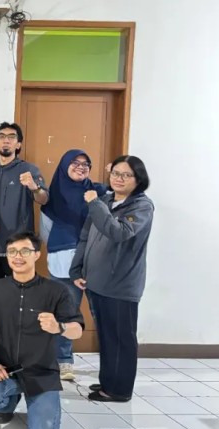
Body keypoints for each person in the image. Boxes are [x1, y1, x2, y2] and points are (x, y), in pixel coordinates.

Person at [0, 231, 84, 429]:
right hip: (6, 371)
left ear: (36, 254)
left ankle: (38, 401)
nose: (18, 256)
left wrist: (59, 327)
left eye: (25, 251)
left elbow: (77, 329)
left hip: (42, 374)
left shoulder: (56, 290)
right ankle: (9, 402)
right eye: (12, 251)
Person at [70, 155, 154, 403]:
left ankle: (119, 390)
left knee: (121, 339)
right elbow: (86, 236)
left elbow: (118, 232)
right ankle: (109, 381)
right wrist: (77, 269)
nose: (119, 179)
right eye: (116, 173)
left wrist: (95, 204)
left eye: (126, 175)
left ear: (138, 179)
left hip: (121, 284)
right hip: (97, 282)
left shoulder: (141, 206)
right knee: (107, 337)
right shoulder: (106, 200)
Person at [39, 149, 107, 381]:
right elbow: (46, 231)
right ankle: (63, 361)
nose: (81, 167)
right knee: (65, 313)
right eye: (75, 163)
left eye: (85, 163)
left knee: (103, 314)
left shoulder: (98, 192)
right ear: (64, 165)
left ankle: (110, 362)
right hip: (64, 262)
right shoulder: (52, 197)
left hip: (95, 262)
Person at [0, 122, 48, 290]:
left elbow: (43, 199)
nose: (6, 140)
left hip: (19, 250)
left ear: (18, 144)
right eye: (1, 136)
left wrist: (34, 187)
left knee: (21, 296)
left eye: (11, 137)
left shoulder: (29, 170)